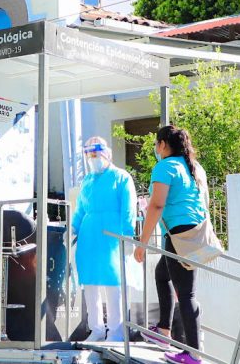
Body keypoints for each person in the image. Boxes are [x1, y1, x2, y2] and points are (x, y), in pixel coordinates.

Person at [133, 125, 209, 364]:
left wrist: (142, 243)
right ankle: (164, 331)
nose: (156, 148)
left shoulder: (165, 167)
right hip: (194, 232)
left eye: (157, 144)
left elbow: (157, 205)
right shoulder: (193, 166)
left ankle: (193, 354)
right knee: (162, 274)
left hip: (180, 235)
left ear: (163, 144)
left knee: (186, 294)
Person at [70, 136, 137, 342]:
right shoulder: (87, 181)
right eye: (89, 154)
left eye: (96, 153)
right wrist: (72, 228)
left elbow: (129, 208)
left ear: (107, 153)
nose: (93, 158)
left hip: (112, 236)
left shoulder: (121, 177)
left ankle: (116, 331)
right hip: (89, 236)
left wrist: (128, 234)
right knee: (90, 282)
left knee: (113, 282)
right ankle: (96, 329)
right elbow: (81, 209)